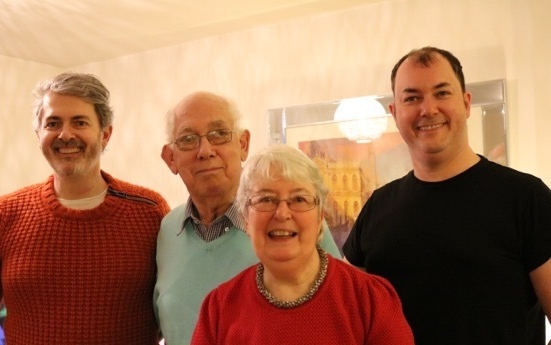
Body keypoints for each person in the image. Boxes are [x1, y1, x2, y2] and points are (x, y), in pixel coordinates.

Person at [343, 46, 551, 345]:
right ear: (395, 112)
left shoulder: (526, 198)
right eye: (412, 97)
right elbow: (345, 314)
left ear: (466, 103)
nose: (428, 109)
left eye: (442, 93)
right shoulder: (378, 205)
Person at [0, 72, 170, 345]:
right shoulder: (6, 213)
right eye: (53, 123)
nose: (66, 134)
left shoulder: (149, 211)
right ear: (38, 134)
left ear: (105, 134)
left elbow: (173, 311)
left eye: (80, 122)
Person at [154, 91, 341, 345]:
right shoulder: (166, 229)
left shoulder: (289, 225)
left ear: (243, 144)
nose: (205, 150)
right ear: (170, 158)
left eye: (219, 134)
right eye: (188, 139)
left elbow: (337, 314)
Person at [191, 144, 414, 345]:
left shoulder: (369, 299)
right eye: (266, 199)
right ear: (245, 218)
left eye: (299, 199)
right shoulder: (219, 309)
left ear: (319, 217)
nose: (282, 213)